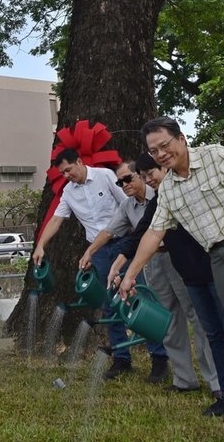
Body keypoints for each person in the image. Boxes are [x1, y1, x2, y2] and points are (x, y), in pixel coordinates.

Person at [120, 117, 224, 442]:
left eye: (165, 145)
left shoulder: (216, 155)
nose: (160, 154)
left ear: (181, 138)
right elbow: (154, 233)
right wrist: (129, 274)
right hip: (218, 259)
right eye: (153, 150)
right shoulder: (170, 189)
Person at [109, 151, 224, 419]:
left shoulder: (189, 192)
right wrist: (123, 266)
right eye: (144, 176)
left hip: (215, 271)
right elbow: (144, 234)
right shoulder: (162, 201)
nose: (148, 180)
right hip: (191, 277)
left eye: (150, 174)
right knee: (214, 336)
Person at [32, 148, 128, 380]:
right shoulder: (69, 192)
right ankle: (122, 357)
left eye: (68, 170)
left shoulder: (105, 176)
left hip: (124, 244)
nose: (66, 175)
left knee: (135, 296)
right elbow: (57, 219)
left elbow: (127, 204)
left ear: (79, 161)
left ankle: (159, 356)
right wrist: (40, 245)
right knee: (109, 302)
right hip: (99, 252)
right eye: (62, 173)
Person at [78, 161, 170, 384]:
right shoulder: (128, 206)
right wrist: (89, 251)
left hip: (168, 258)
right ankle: (125, 359)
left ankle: (161, 359)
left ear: (141, 175)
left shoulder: (161, 194)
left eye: (128, 178)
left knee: (150, 306)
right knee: (122, 303)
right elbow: (110, 231)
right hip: (141, 259)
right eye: (120, 182)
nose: (124, 184)